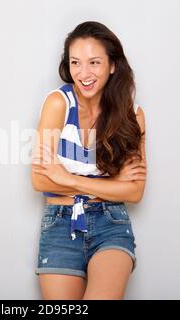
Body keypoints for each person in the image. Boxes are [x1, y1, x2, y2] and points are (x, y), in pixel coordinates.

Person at [31, 21, 147, 300]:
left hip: (111, 223)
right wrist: (110, 185)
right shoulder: (58, 104)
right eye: (75, 62)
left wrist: (66, 179)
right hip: (59, 223)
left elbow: (134, 191)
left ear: (112, 65)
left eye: (94, 62)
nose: (84, 73)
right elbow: (39, 179)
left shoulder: (132, 115)